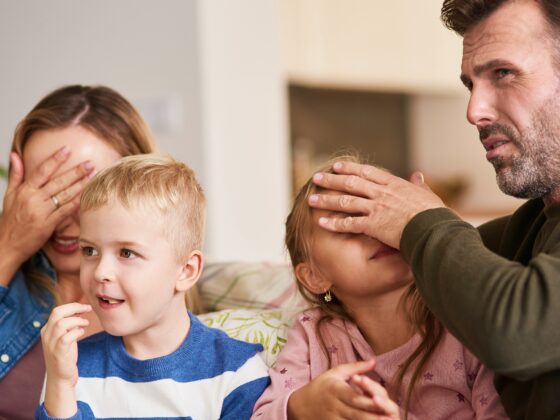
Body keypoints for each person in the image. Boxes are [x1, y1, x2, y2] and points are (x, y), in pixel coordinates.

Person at [306, 1, 560, 418]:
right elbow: (444, 270)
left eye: (503, 73)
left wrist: (417, 219)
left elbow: (516, 330)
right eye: (470, 84)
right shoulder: (531, 226)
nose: (474, 111)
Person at [252, 156, 507, 420]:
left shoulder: (464, 323)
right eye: (347, 225)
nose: (375, 230)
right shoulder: (312, 334)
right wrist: (302, 406)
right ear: (314, 276)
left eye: (381, 214)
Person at [0, 85, 196, 419]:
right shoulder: (13, 279)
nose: (61, 215)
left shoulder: (165, 300)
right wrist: (8, 246)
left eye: (85, 189)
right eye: (43, 190)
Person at [36, 154, 269, 419]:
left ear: (186, 270)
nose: (101, 271)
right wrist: (62, 385)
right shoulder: (72, 368)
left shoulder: (236, 371)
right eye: (90, 250)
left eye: (126, 253)